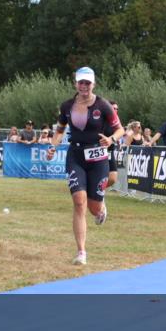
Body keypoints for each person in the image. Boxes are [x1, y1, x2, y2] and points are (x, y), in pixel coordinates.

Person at [47, 67, 124, 266]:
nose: (84, 86)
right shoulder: (67, 106)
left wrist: (111, 139)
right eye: (81, 82)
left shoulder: (103, 105)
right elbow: (60, 130)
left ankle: (101, 208)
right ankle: (81, 251)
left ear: (93, 84)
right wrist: (53, 147)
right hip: (76, 155)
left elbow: (120, 129)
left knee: (93, 207)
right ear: (75, 84)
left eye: (87, 83)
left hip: (98, 158)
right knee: (79, 201)